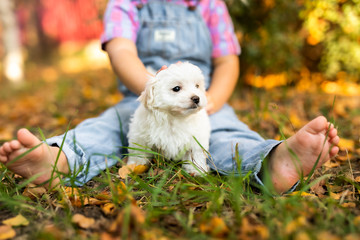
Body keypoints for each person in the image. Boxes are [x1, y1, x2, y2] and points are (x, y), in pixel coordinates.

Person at [0, 0, 339, 194]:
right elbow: (120, 50)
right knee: (106, 127)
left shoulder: (209, 5)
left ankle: (270, 162)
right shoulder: (127, 3)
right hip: (141, 97)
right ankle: (61, 160)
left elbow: (227, 60)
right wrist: (152, 90)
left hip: (205, 103)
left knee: (224, 131)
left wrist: (213, 100)